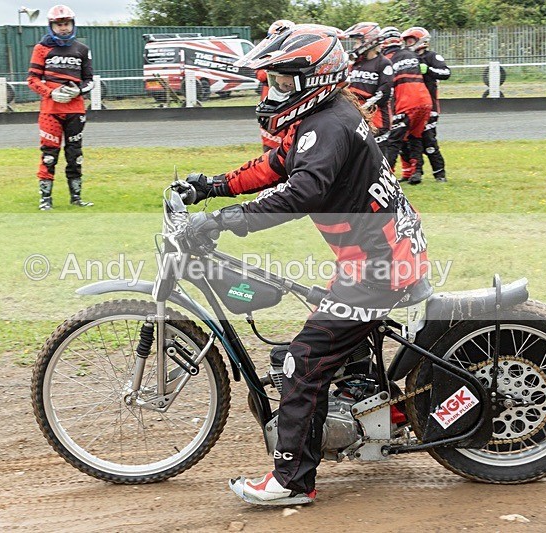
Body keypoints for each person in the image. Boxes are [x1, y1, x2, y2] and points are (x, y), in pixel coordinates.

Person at [175, 26, 428, 506]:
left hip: (376, 266)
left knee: (301, 361)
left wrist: (224, 222)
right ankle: (387, 414)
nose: (274, 91)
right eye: (271, 81)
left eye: (283, 82)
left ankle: (292, 481)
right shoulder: (326, 116)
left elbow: (302, 191)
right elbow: (276, 165)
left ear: (314, 78)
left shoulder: (326, 125)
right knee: (327, 334)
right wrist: (211, 186)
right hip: (380, 255)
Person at [27, 4, 95, 210]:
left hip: (76, 111)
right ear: (51, 26)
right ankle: (45, 200)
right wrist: (51, 92)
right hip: (50, 111)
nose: (63, 28)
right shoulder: (41, 49)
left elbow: (90, 81)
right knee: (49, 154)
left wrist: (79, 91)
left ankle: (76, 198)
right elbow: (32, 79)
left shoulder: (82, 50)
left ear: (73, 24)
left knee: (75, 155)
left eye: (66, 24)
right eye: (59, 24)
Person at [379, 27, 433, 185]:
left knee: (393, 140)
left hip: (406, 103)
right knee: (415, 137)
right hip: (425, 101)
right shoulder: (411, 54)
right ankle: (416, 172)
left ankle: (386, 176)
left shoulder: (386, 58)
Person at [402, 27, 451, 182]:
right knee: (411, 140)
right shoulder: (407, 58)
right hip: (412, 106)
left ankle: (440, 174)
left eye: (411, 40)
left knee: (429, 140)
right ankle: (416, 173)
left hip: (430, 107)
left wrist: (428, 70)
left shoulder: (432, 56)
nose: (408, 44)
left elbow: (446, 73)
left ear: (422, 41)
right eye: (407, 41)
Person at [344, 22, 393, 157]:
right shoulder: (355, 64)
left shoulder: (383, 63)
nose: (355, 46)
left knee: (377, 157)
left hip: (377, 119)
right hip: (355, 117)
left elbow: (384, 93)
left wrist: (363, 107)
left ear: (370, 41)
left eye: (358, 41)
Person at [257, 19, 295, 152]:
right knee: (268, 149)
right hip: (269, 104)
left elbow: (262, 75)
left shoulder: (291, 56)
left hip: (285, 107)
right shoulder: (268, 55)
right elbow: (260, 75)